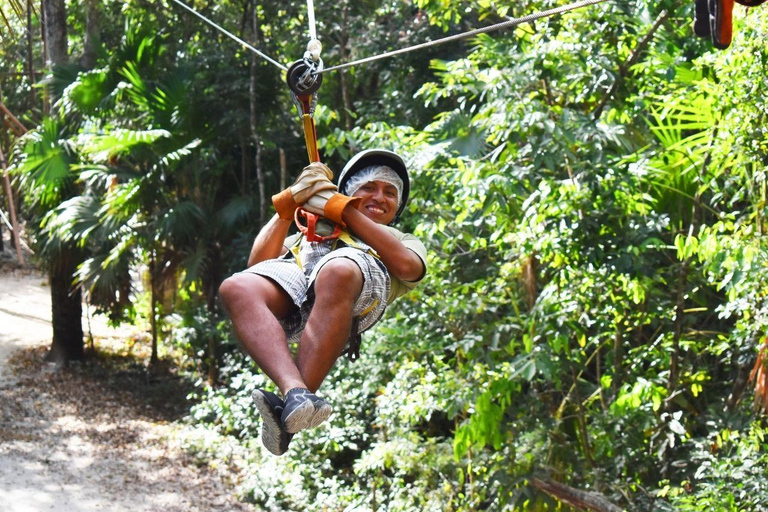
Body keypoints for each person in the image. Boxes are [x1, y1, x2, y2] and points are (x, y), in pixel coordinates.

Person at [219, 149, 427, 455]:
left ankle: (294, 402)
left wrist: (343, 210)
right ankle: (294, 394)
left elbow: (409, 268)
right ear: (350, 193)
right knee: (236, 287)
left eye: (389, 192)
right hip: (299, 292)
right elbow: (257, 267)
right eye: (368, 187)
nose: (379, 197)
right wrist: (289, 208)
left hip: (354, 293)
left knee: (337, 270)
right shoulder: (311, 233)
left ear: (397, 208)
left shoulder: (399, 238)